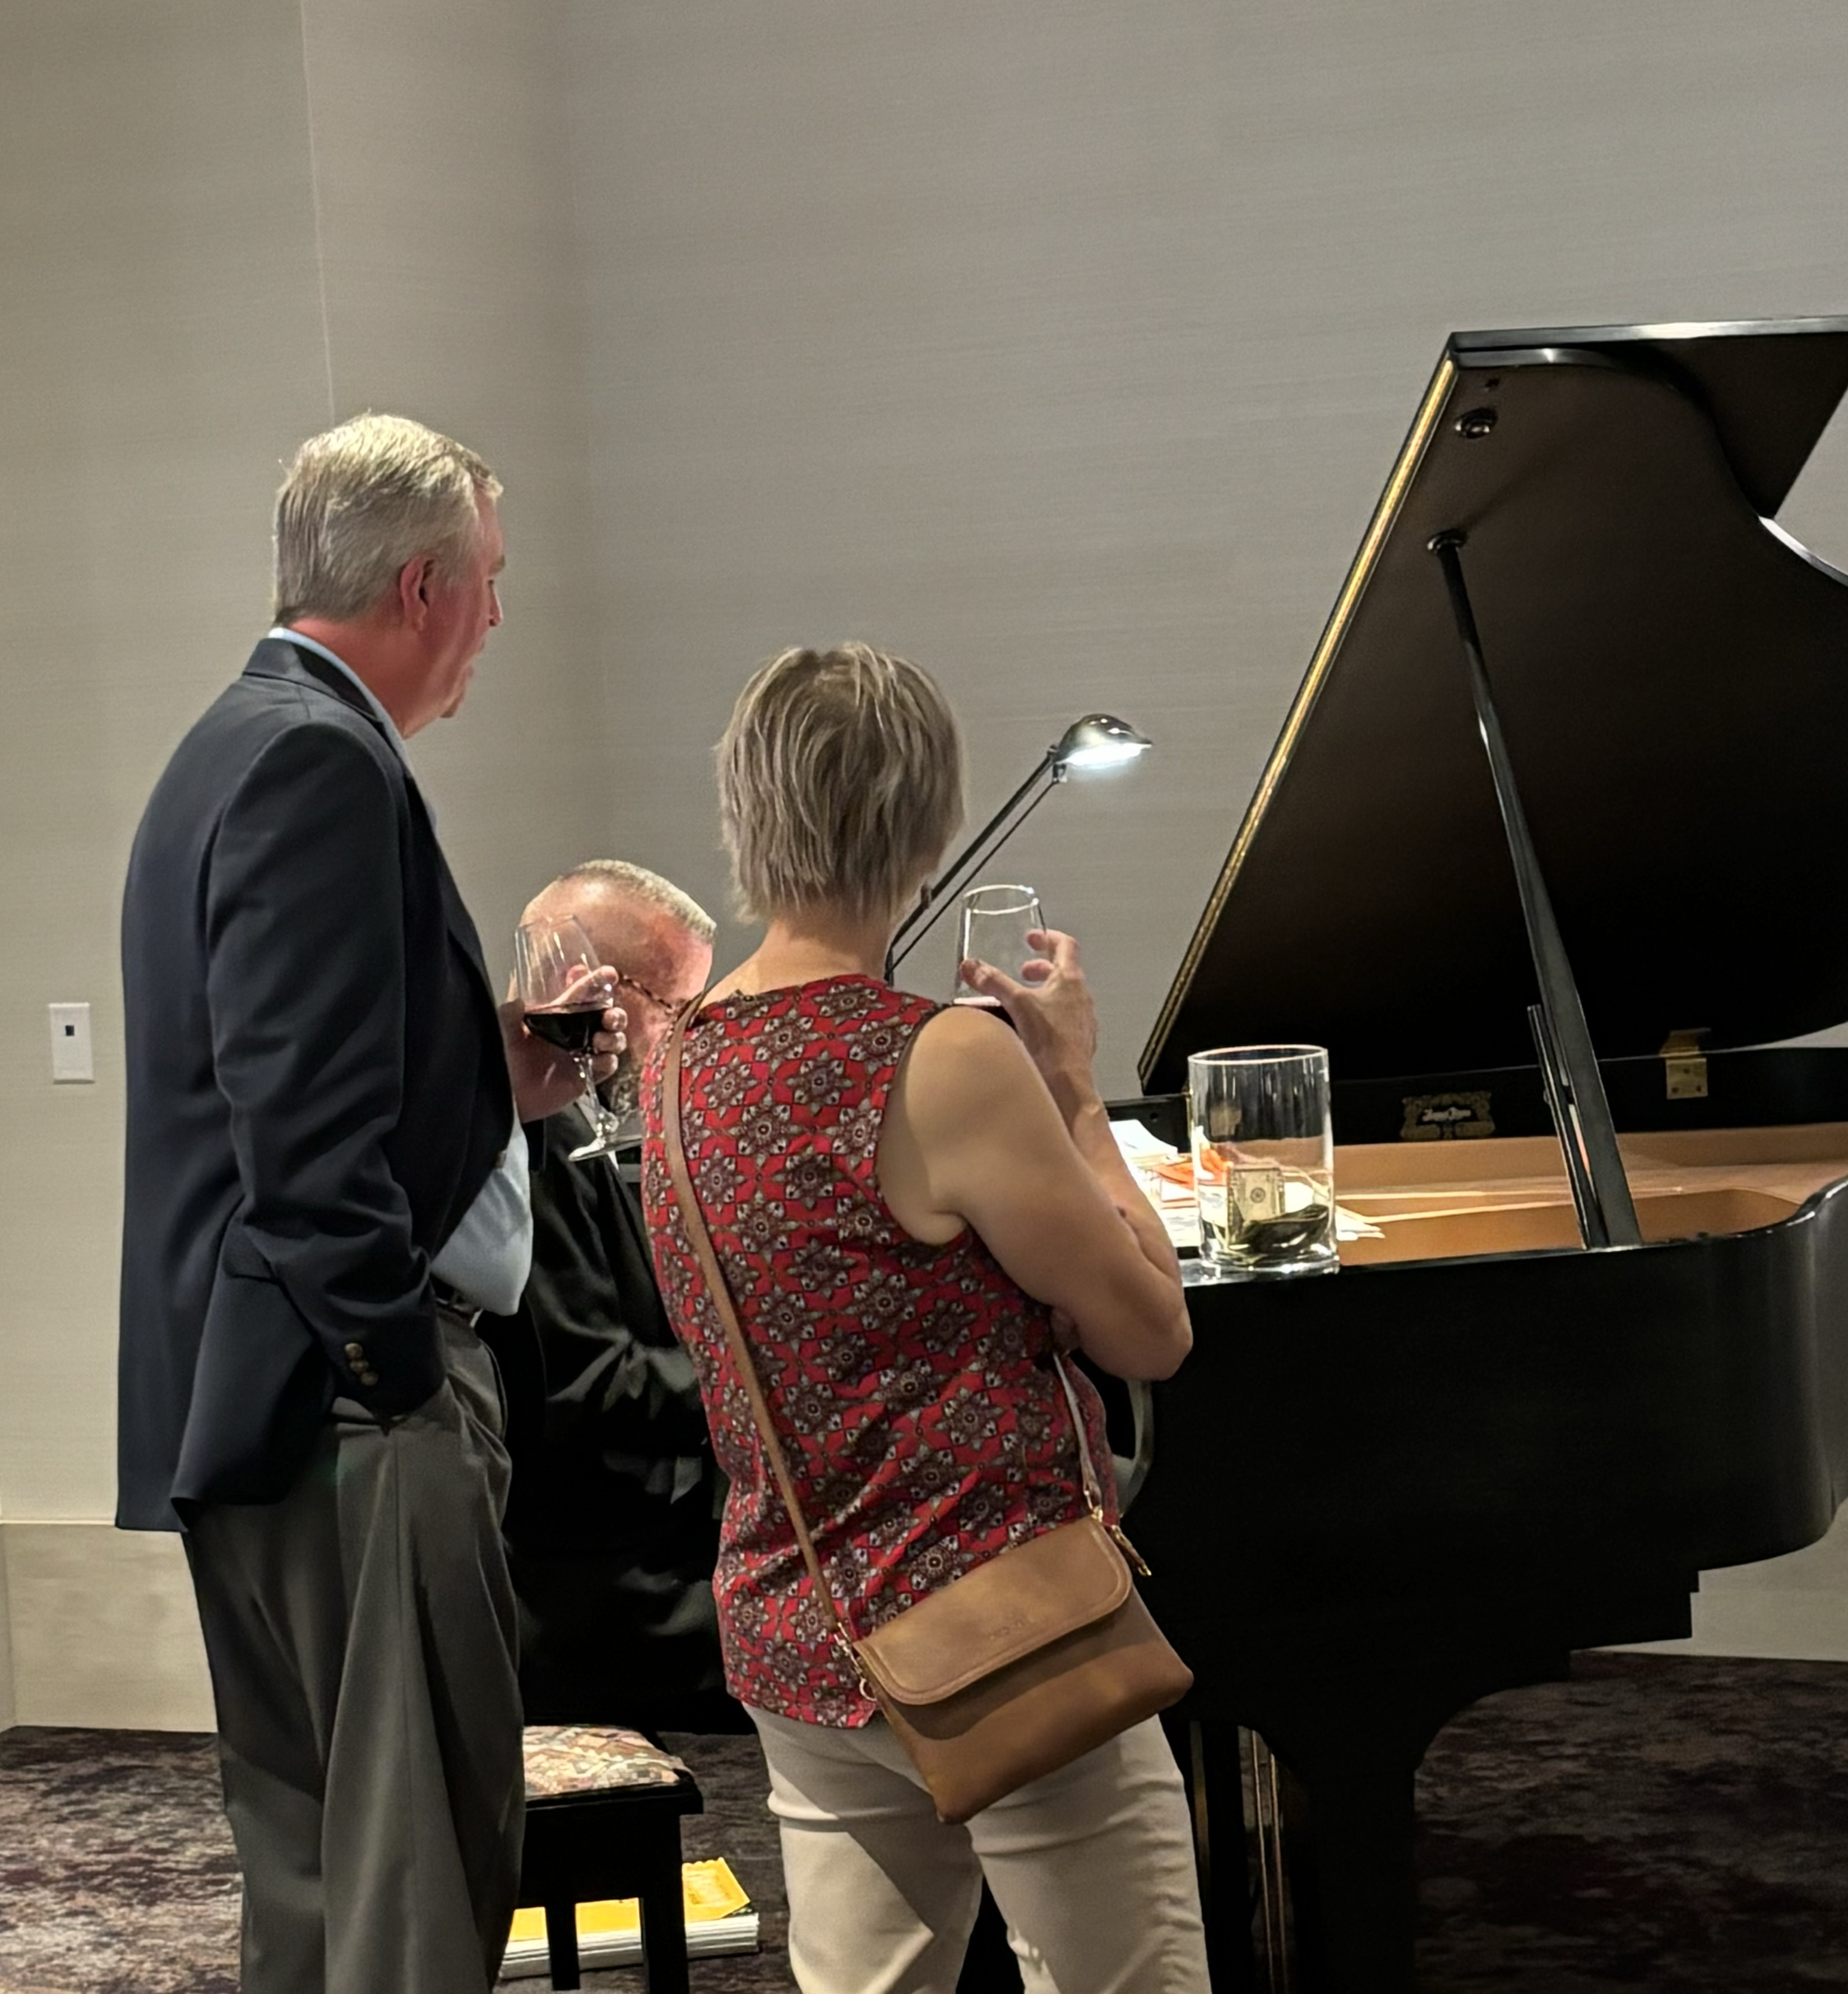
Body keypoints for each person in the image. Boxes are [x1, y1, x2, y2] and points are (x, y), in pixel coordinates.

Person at [115, 414, 622, 1994]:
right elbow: (301, 1133)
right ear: (419, 585)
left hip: (260, 1400)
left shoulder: (236, 738)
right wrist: (400, 1378)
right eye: (488, 580)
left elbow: (297, 1067)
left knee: (325, 1874)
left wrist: (499, 1072)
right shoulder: (318, 758)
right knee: (413, 1882)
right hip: (346, 1416)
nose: (494, 617)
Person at [639, 644, 1211, 1993]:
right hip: (1004, 1623)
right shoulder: (940, 1055)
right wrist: (1074, 1087)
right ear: (929, 818)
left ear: (744, 808)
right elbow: (1150, 1335)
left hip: (799, 1627)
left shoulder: (675, 1072)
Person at [485, 860, 743, 1731]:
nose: (681, 1039)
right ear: (599, 989)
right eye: (680, 1010)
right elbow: (589, 1386)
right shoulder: (537, 1135)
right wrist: (764, 1380)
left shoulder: (561, 1122)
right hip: (591, 1604)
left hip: (618, 1554)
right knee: (844, 1634)